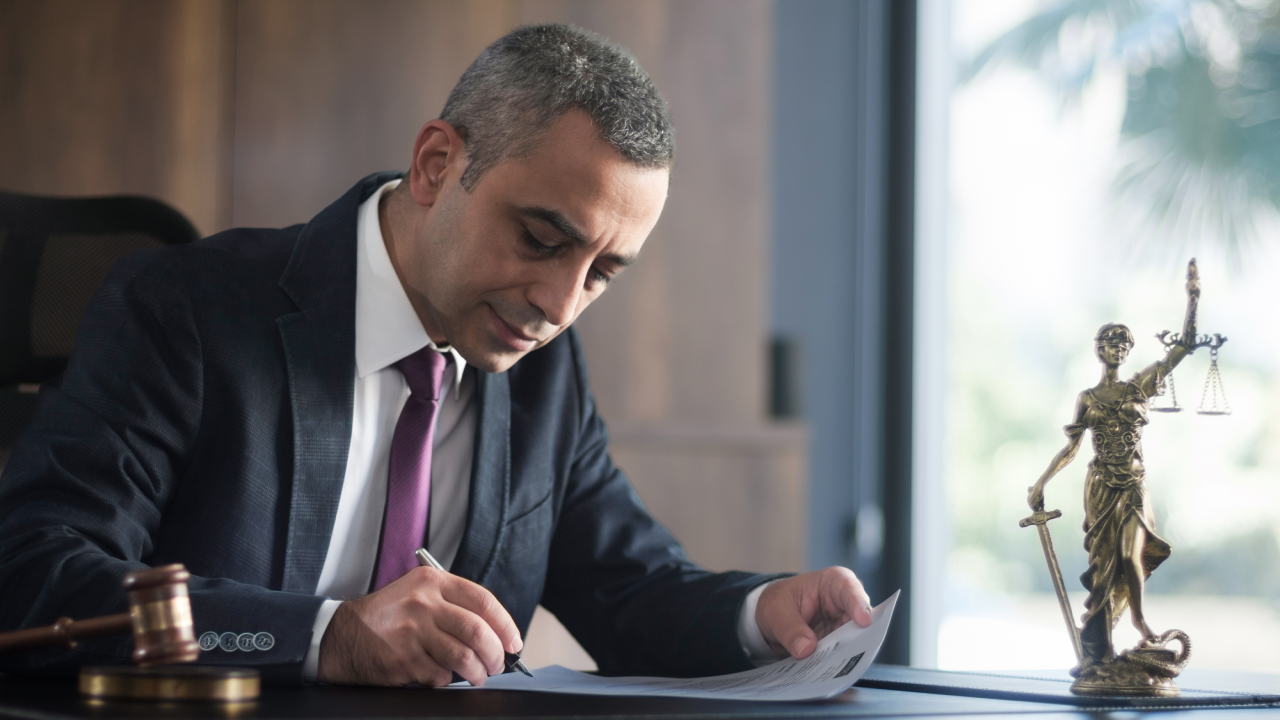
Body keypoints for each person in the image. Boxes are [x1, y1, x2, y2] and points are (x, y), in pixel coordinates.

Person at [0, 24, 872, 686]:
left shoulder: (543, 373)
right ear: (434, 164)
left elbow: (627, 587)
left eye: (602, 273)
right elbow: (36, 574)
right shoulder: (185, 310)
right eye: (541, 240)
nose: (559, 306)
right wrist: (327, 636)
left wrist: (763, 614)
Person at [1027, 261, 1202, 672]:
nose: (1118, 348)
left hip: (1133, 484)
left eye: (1124, 344)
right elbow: (1071, 448)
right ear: (1098, 349)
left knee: (1129, 556)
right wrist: (1041, 482)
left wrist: (1193, 299)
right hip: (1101, 486)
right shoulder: (1088, 398)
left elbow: (1184, 347)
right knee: (1104, 569)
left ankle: (1140, 623)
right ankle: (1099, 649)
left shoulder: (1139, 386)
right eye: (1111, 342)